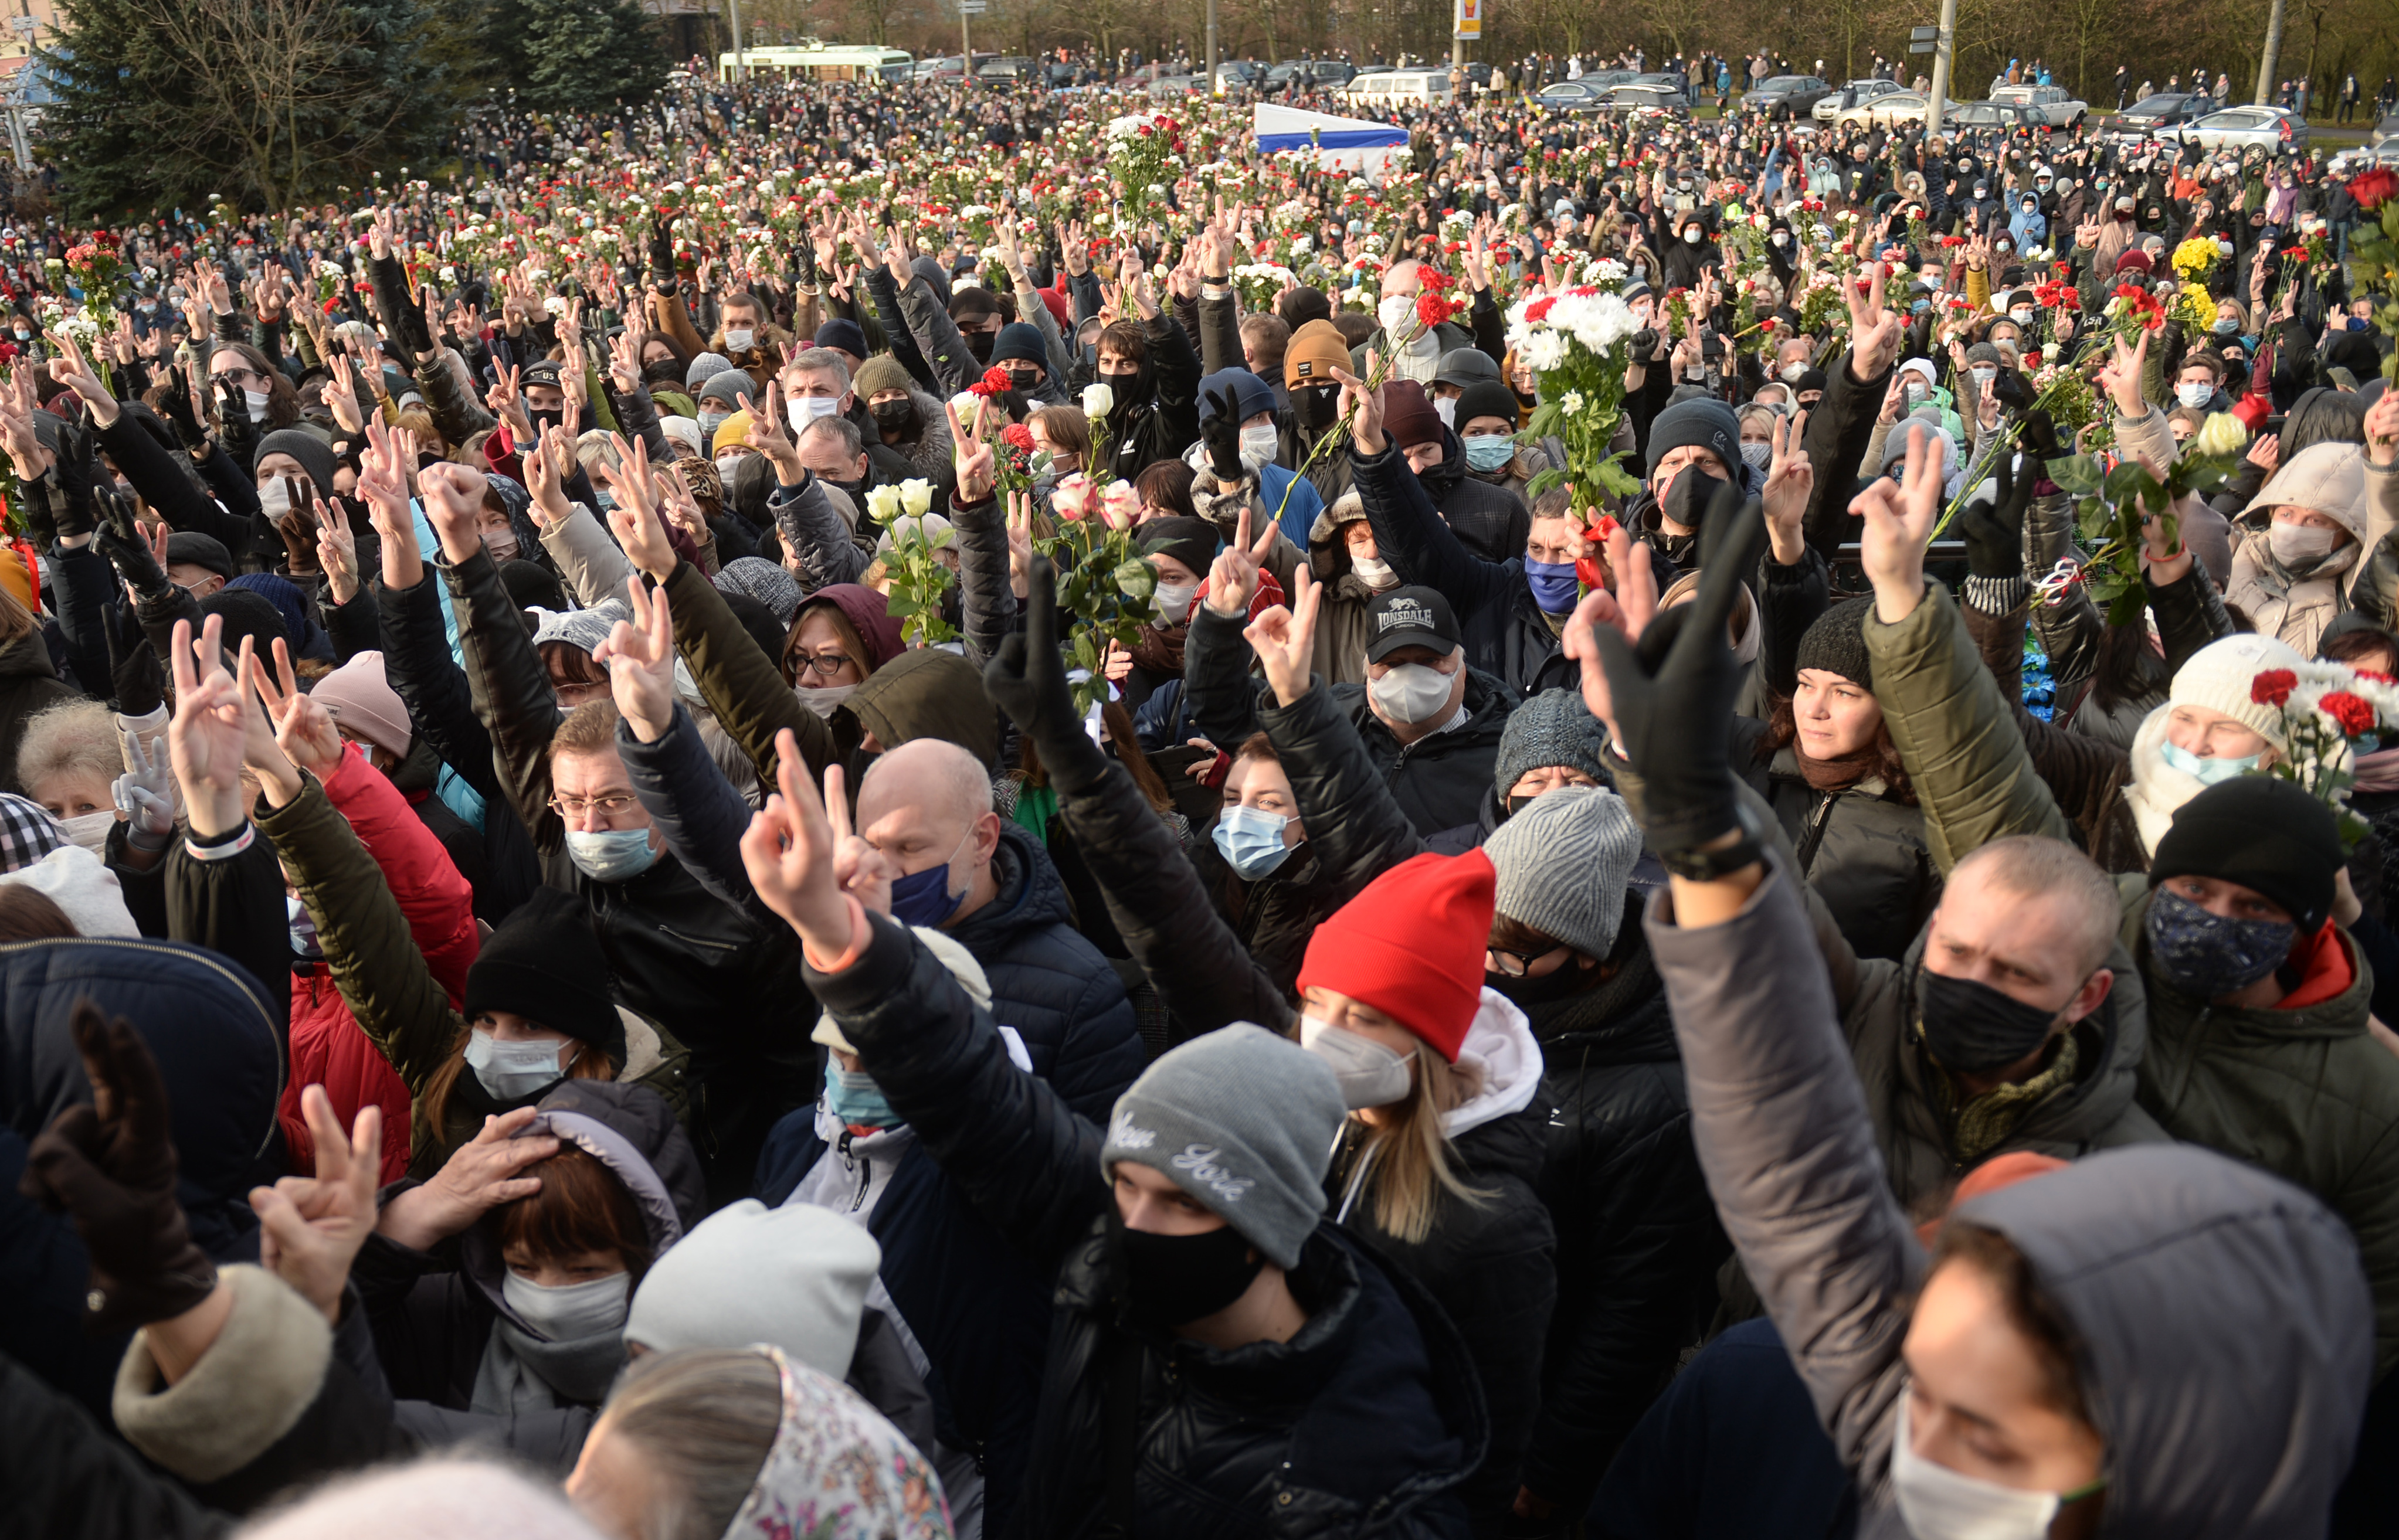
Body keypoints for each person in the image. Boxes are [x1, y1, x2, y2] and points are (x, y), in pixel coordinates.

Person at [1560, 450, 2374, 1536]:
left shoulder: (2143, 1185)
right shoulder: (1844, 1385)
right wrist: (1684, 798)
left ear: (2089, 995)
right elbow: (1787, 1148)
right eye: (1953, 948)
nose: (1916, 1443)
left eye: (1987, 1425)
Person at [736, 723, 1489, 1535]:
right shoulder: (1108, 1264)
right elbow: (977, 1101)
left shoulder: (1371, 1487)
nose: (1133, 1225)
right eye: (1124, 1184)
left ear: (1269, 1223)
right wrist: (848, 946)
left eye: (1185, 1202)